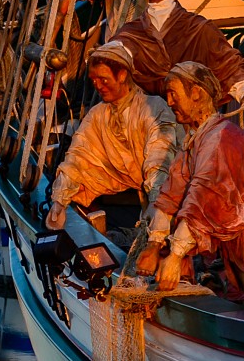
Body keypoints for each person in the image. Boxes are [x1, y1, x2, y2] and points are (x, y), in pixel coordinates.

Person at [138, 61, 244, 306]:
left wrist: (175, 256)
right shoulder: (195, 141)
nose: (170, 102)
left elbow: (203, 199)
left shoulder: (222, 139)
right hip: (241, 251)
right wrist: (154, 244)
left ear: (196, 93)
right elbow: (170, 195)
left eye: (173, 94)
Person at [46, 39, 174, 233]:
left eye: (103, 79)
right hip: (120, 200)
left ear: (122, 75)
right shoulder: (98, 115)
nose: (98, 85)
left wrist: (156, 205)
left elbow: (160, 157)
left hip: (161, 199)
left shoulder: (153, 108)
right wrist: (59, 202)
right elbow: (77, 157)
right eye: (93, 80)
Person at [107, 0, 244, 107]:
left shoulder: (199, 29)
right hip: (146, 116)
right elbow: (110, 57)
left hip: (191, 116)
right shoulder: (130, 34)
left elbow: (230, 65)